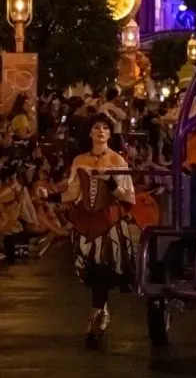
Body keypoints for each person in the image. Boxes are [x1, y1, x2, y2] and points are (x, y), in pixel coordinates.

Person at [46, 113, 136, 343]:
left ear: (110, 133)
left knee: (104, 267)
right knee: (91, 268)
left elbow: (129, 196)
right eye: (96, 127)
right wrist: (53, 197)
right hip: (86, 221)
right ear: (89, 133)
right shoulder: (79, 160)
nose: (101, 131)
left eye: (105, 128)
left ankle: (98, 313)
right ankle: (100, 310)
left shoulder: (118, 161)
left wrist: (112, 184)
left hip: (108, 220)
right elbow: (73, 191)